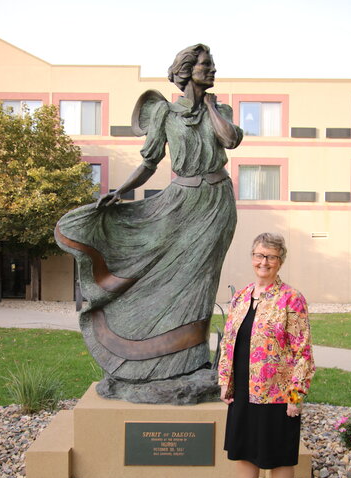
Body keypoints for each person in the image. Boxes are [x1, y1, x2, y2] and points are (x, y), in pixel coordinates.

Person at [55, 44, 243, 403]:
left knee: (199, 281)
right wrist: (120, 191)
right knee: (157, 270)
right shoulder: (164, 115)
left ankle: (190, 362)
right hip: (180, 201)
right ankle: (144, 357)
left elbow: (230, 139)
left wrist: (207, 106)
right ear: (186, 71)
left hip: (216, 203)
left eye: (213, 65)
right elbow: (149, 163)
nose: (213, 70)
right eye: (206, 65)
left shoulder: (221, 110)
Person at [218, 232, 315, 478]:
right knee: (244, 452)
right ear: (252, 257)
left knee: (278, 456)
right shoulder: (241, 295)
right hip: (243, 389)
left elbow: (303, 351)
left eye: (271, 257)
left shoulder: (291, 298)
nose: (264, 262)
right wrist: (225, 381)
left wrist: (296, 396)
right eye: (260, 255)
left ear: (280, 261)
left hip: (278, 393)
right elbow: (228, 342)